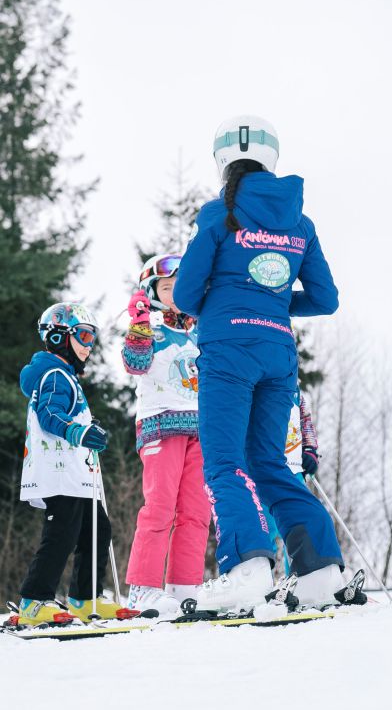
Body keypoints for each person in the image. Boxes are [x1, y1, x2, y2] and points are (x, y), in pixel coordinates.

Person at [173, 115, 347, 612]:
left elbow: (185, 294)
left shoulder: (217, 213)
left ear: (222, 161)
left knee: (224, 462)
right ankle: (319, 572)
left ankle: (247, 569)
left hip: (228, 350)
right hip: (278, 353)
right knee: (270, 462)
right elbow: (325, 298)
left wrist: (235, 300)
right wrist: (271, 304)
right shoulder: (300, 221)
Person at [16, 302, 131, 624]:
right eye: (82, 335)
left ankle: (84, 597)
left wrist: (88, 429)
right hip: (57, 471)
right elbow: (49, 415)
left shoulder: (66, 376)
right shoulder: (53, 374)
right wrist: (79, 431)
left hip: (76, 473)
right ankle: (34, 601)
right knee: (62, 532)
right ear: (58, 337)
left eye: (92, 338)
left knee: (97, 530)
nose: (89, 345)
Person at [122, 254, 210, 616]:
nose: (175, 294)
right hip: (161, 424)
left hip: (201, 430)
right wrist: (139, 323)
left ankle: (184, 587)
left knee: (197, 511)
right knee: (160, 506)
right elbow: (134, 363)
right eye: (167, 288)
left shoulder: (203, 329)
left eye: (180, 287)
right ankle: (143, 589)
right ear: (153, 292)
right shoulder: (151, 327)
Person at [268, 381, 320, 577]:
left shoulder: (294, 388)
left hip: (294, 468)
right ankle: (259, 580)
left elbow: (305, 420)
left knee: (299, 525)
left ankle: (302, 579)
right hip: (264, 468)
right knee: (266, 527)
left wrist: (310, 449)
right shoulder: (256, 381)